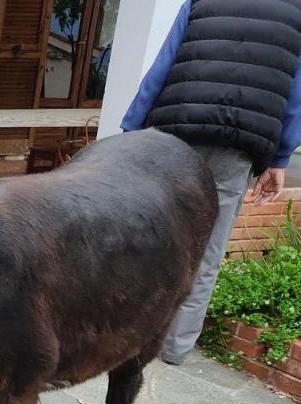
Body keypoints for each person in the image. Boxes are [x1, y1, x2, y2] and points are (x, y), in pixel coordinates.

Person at [122, 0, 301, 365]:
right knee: (208, 247)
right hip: (237, 145)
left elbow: (163, 64)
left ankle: (125, 336)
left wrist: (131, 127)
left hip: (175, 132)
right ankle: (174, 348)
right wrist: (280, 157)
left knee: (150, 234)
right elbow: (297, 94)